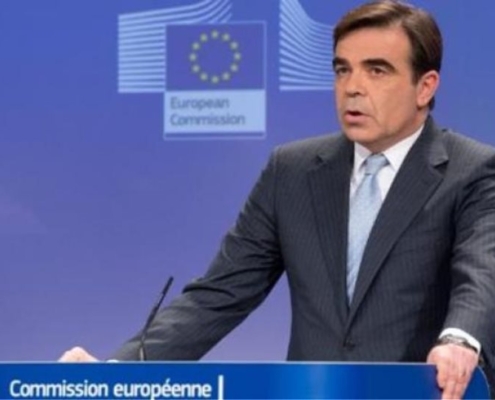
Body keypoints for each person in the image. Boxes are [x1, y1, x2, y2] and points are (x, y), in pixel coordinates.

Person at [60, 1, 495, 398]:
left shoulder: (472, 170)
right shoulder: (292, 170)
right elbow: (221, 293)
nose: (352, 87)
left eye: (376, 71)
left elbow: (481, 275)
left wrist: (459, 340)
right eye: (342, 70)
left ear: (425, 87)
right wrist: (119, 373)